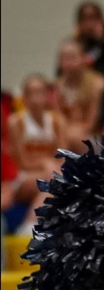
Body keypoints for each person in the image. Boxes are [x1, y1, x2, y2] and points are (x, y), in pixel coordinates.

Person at [8, 74, 65, 235]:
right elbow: (21, 161)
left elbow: (63, 156)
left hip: (49, 175)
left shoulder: (57, 121)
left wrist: (49, 166)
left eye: (40, 92)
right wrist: (44, 163)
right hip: (23, 177)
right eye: (31, 93)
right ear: (24, 96)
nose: (35, 98)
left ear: (47, 95)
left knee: (52, 183)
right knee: (50, 180)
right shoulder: (16, 121)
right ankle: (29, 225)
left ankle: (30, 225)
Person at [53, 38, 104, 150]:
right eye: (64, 58)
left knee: (74, 138)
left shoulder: (97, 83)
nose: (69, 62)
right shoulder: (58, 85)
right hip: (66, 135)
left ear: (83, 58)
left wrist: (72, 130)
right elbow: (58, 118)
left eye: (73, 57)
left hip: (95, 137)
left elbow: (92, 123)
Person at [70, 0, 104, 79]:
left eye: (93, 18)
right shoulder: (71, 51)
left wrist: (100, 42)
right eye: (84, 19)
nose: (89, 24)